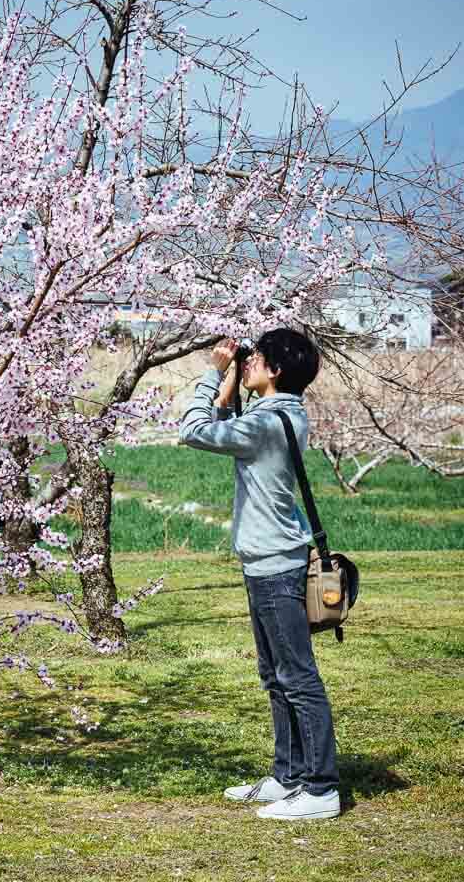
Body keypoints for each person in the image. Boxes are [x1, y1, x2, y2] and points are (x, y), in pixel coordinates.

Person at [178, 328, 340, 821]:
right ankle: (288, 776)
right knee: (276, 675)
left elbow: (194, 430)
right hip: (268, 561)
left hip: (274, 566)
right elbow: (227, 424)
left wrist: (213, 370)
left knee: (297, 676)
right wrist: (233, 375)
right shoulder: (276, 415)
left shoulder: (269, 423)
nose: (246, 364)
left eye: (255, 360)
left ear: (275, 371)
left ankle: (320, 788)